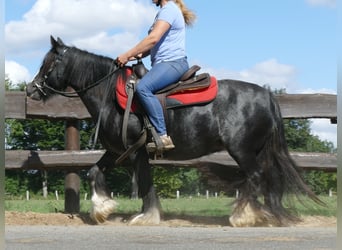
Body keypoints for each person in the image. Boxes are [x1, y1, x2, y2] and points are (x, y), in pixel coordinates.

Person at [116, 0, 196, 151]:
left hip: (173, 63)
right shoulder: (164, 12)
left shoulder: (169, 10)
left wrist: (127, 54)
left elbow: (153, 39)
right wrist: (134, 55)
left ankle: (163, 136)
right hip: (163, 64)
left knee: (143, 88)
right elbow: (151, 47)